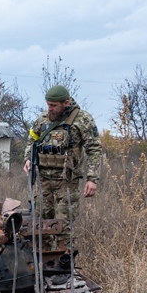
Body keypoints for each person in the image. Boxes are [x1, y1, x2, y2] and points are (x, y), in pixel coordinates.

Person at [24, 85, 102, 248]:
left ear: (65, 103)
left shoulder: (82, 120)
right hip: (43, 182)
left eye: (53, 105)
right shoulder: (43, 119)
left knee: (63, 228)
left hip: (66, 182)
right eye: (48, 104)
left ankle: (64, 268)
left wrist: (92, 179)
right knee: (40, 226)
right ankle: (41, 267)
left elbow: (94, 149)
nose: (49, 108)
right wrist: (28, 159)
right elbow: (32, 140)